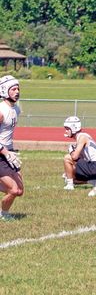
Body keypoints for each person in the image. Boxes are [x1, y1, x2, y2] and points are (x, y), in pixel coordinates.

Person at [0, 75, 23, 221]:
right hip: (1, 153)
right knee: (13, 190)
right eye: (13, 89)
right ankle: (4, 214)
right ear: (4, 90)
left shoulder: (16, 109)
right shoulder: (1, 111)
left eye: (18, 88)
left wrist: (11, 151)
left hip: (8, 152)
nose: (17, 91)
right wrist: (5, 152)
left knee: (19, 191)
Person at [62, 116, 96, 190]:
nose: (66, 131)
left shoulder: (82, 137)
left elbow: (74, 157)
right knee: (70, 176)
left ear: (73, 128)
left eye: (67, 129)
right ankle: (93, 181)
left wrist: (71, 150)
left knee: (67, 158)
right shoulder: (82, 137)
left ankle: (70, 185)